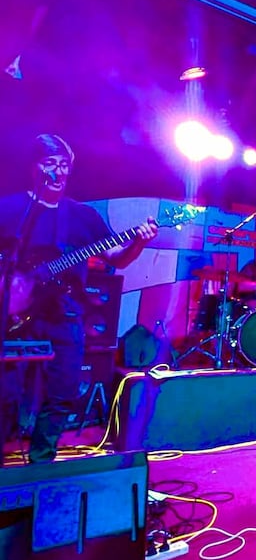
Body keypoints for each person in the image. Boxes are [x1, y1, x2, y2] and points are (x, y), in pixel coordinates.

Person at [0, 133, 157, 463]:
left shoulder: (81, 215)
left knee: (63, 391)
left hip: (65, 312)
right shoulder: (13, 208)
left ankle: (42, 462)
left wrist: (138, 241)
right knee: (7, 394)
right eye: (50, 164)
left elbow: (117, 257)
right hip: (13, 314)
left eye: (64, 165)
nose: (58, 172)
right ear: (34, 168)